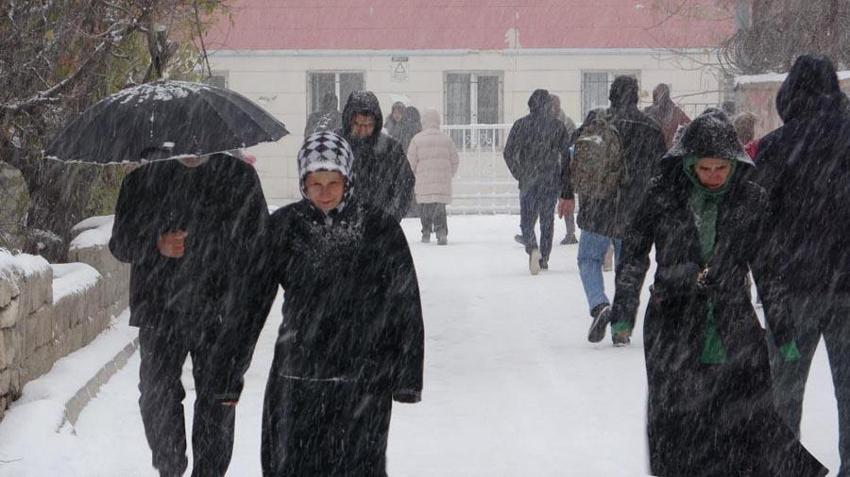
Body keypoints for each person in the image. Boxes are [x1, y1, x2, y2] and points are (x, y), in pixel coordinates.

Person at [607, 109, 826, 476]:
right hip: (674, 326)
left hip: (732, 323)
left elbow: (769, 270)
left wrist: (783, 329)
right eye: (704, 168)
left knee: (744, 421)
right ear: (688, 162)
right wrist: (624, 309)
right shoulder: (662, 195)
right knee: (677, 425)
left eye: (720, 169)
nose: (712, 177)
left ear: (733, 164)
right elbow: (633, 253)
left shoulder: (751, 200)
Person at [215, 131, 424, 476]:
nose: (325, 192)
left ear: (348, 179)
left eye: (333, 182)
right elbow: (249, 305)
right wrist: (228, 374)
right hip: (297, 379)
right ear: (303, 183)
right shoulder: (283, 228)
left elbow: (405, 304)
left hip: (363, 383)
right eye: (316, 183)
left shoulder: (379, 230)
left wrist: (407, 376)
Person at [109, 149, 268, 477]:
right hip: (159, 310)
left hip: (219, 311)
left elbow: (259, 245)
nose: (194, 150)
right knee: (157, 395)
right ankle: (170, 467)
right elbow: (120, 243)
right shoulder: (142, 181)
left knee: (218, 398)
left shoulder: (239, 179)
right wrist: (155, 243)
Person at [750, 54, 850, 476]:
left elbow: (756, 229)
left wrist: (768, 289)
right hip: (847, 291)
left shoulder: (774, 149)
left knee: (783, 396)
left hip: (790, 296)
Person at [563, 76, 666, 345]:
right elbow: (663, 173)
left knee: (588, 259)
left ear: (611, 96)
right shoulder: (651, 128)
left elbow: (572, 158)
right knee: (628, 267)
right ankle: (621, 325)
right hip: (635, 211)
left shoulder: (595, 122)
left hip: (597, 204)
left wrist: (566, 193)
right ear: (636, 97)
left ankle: (599, 305)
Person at [504, 89, 570, 275]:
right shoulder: (557, 126)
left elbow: (508, 152)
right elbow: (566, 155)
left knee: (527, 219)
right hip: (550, 179)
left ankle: (532, 247)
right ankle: (544, 257)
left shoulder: (521, 125)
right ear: (549, 105)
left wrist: (519, 172)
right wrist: (563, 179)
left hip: (528, 178)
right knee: (547, 219)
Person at [337, 91, 415, 222]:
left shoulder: (391, 149)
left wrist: (390, 217)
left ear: (376, 123)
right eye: (357, 124)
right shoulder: (334, 144)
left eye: (368, 125)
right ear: (348, 121)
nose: (362, 131)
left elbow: (405, 184)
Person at [407, 108, 459, 245]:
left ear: (423, 122)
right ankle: (441, 232)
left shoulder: (417, 140)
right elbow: (455, 160)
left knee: (425, 207)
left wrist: (413, 177)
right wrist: (449, 174)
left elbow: (410, 163)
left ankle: (426, 231)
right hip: (442, 181)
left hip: (423, 182)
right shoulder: (446, 139)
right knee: (439, 207)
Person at [551, 94, 579, 245]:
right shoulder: (549, 122)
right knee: (547, 201)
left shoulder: (567, 123)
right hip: (551, 167)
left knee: (566, 199)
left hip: (563, 168)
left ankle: (570, 233)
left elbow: (571, 146)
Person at [644, 83, 691, 149]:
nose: (662, 98)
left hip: (657, 149)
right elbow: (690, 125)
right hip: (661, 149)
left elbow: (690, 125)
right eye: (660, 95)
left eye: (664, 95)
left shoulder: (676, 111)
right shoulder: (648, 111)